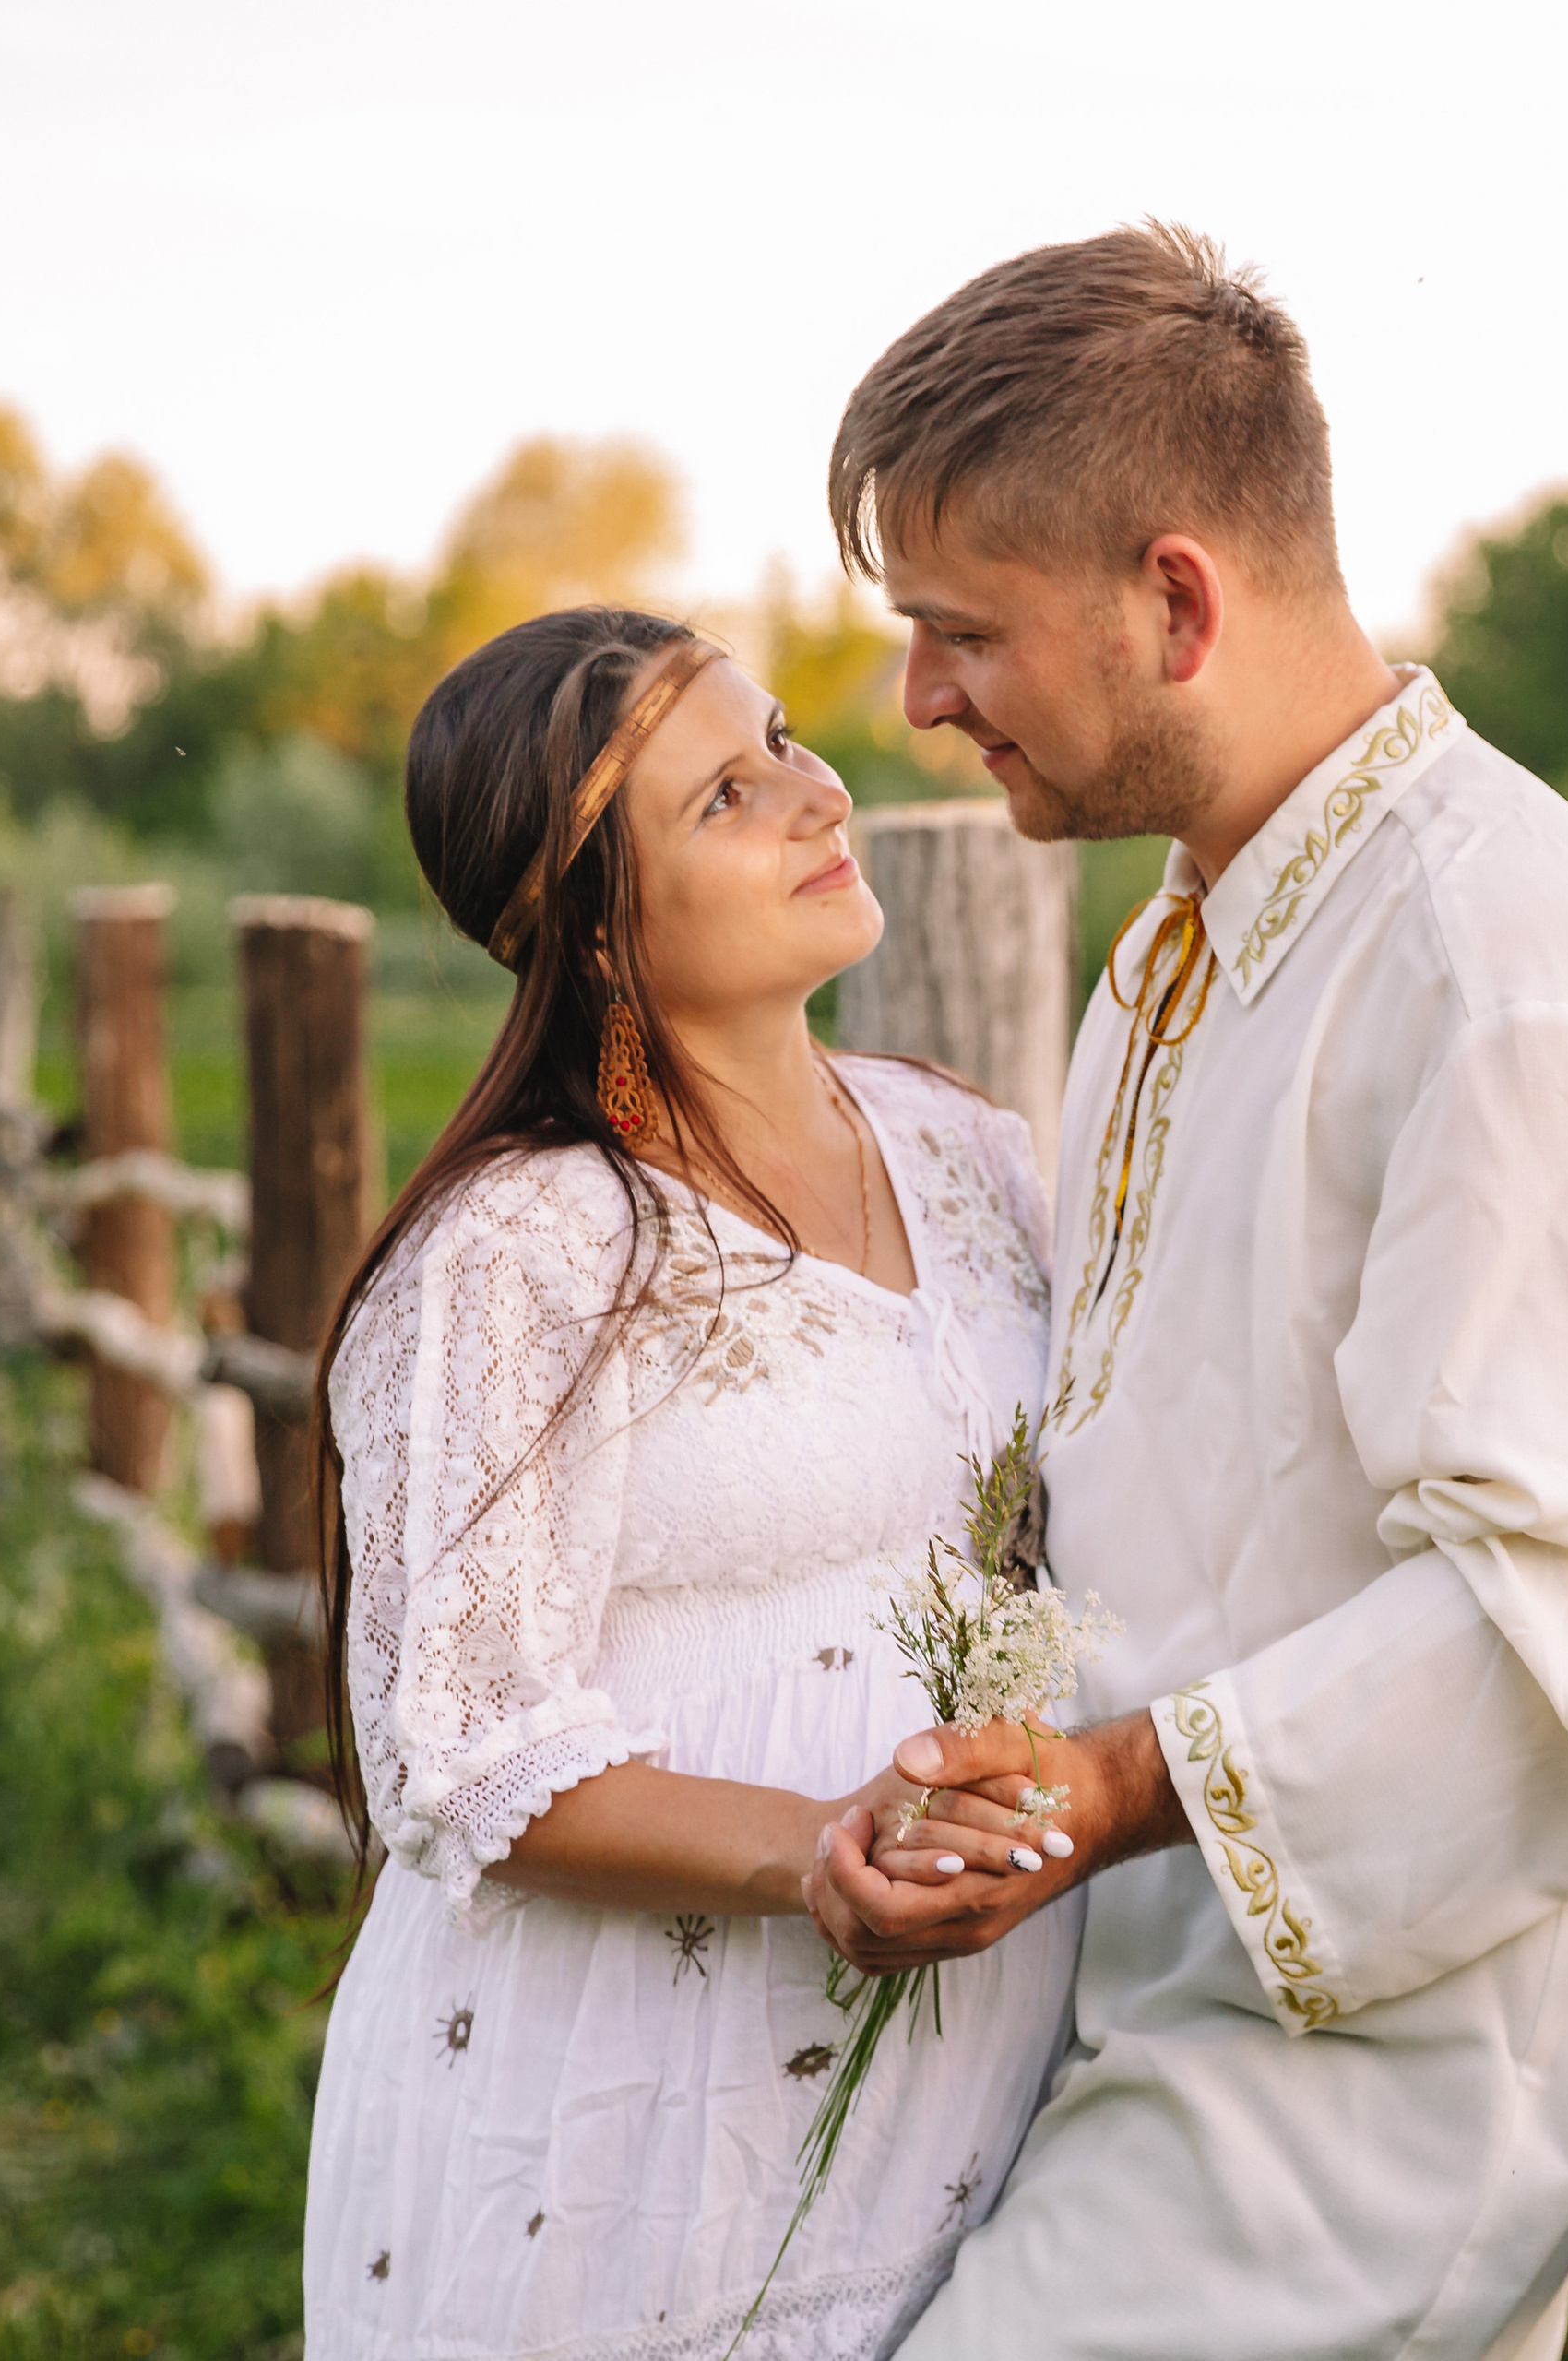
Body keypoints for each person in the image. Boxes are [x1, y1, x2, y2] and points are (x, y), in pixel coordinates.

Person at [802, 225, 1568, 2360]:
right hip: (1125, 2016)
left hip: (1352, 2108)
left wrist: (1111, 1789)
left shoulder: (1510, 967)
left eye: (961, 631)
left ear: (1173, 599)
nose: (917, 702)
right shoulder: (1186, 939)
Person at [302, 610, 1081, 2359]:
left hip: (978, 2077)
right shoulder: (522, 1249)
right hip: (637, 2119)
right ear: (588, 923)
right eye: (729, 795)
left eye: (787, 739)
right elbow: (457, 1743)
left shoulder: (968, 1150)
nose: (821, 794)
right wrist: (817, 1845)